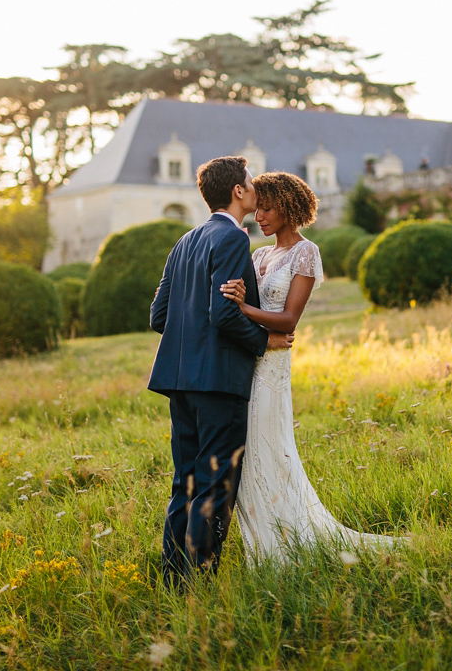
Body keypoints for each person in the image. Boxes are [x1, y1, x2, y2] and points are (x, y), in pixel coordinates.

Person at [220, 171, 404, 561]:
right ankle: (265, 542)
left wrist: (242, 307)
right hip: (246, 361)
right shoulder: (258, 254)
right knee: (248, 453)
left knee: (270, 449)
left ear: (289, 207)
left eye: (268, 208)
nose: (260, 216)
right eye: (259, 207)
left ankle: (288, 543)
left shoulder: (306, 253)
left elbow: (288, 320)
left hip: (272, 367)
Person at [149, 156, 295, 587]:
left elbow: (160, 316)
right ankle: (198, 581)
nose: (254, 189)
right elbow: (224, 315)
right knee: (214, 484)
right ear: (237, 190)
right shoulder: (233, 240)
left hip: (179, 381)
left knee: (186, 481)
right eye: (250, 183)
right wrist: (263, 341)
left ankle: (172, 576)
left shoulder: (185, 241)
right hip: (219, 381)